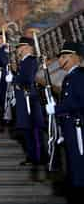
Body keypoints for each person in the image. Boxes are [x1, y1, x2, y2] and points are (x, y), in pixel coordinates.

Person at [46, 42, 84, 204]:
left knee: (78, 165)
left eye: (64, 57)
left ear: (75, 57)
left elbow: (80, 102)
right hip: (70, 128)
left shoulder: (79, 76)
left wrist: (57, 108)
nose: (60, 61)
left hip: (78, 128)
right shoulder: (71, 77)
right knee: (73, 165)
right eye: (60, 57)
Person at [6, 37, 44, 166]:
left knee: (33, 130)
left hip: (29, 99)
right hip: (24, 99)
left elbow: (28, 79)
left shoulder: (30, 61)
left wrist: (15, 79)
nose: (18, 50)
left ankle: (37, 158)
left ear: (28, 47)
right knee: (27, 130)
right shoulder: (24, 62)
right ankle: (31, 156)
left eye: (20, 47)